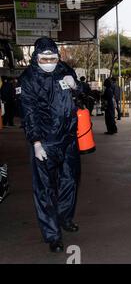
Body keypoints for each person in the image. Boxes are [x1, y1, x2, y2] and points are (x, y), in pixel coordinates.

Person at [19, 37, 83, 253]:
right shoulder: (28, 78)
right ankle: (53, 234)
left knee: (70, 181)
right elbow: (28, 113)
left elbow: (81, 93)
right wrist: (36, 142)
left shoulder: (64, 69)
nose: (48, 61)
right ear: (36, 58)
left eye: (52, 58)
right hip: (45, 141)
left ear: (58, 57)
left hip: (68, 139)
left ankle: (65, 217)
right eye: (44, 58)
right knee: (45, 188)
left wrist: (77, 86)